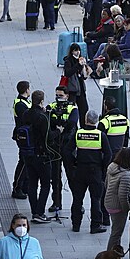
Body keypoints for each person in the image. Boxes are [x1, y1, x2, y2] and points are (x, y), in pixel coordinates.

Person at [67, 110, 112, 234]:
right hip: (95, 171)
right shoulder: (100, 135)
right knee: (96, 199)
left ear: (86, 119)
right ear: (96, 121)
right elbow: (108, 154)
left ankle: (76, 225)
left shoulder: (78, 133)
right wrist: (103, 168)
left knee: (77, 199)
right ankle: (95, 225)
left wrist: (73, 164)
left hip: (80, 170)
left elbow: (67, 151)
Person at [21, 90, 53, 223]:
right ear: (41, 101)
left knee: (32, 184)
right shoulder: (42, 117)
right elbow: (48, 137)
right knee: (45, 185)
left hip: (28, 153)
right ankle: (40, 213)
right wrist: (58, 131)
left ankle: (34, 211)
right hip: (41, 155)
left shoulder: (26, 113)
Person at [46, 86, 78, 214]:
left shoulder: (72, 108)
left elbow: (72, 123)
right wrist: (60, 122)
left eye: (61, 95)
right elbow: (48, 120)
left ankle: (77, 202)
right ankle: (56, 202)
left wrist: (59, 124)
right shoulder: (52, 106)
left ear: (67, 96)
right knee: (55, 176)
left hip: (68, 146)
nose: (58, 98)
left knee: (72, 176)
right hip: (55, 146)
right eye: (57, 95)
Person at [104, 148, 130, 254]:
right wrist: (127, 208)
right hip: (118, 207)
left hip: (109, 203)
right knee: (116, 233)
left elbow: (106, 184)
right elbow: (123, 195)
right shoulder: (126, 175)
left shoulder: (111, 167)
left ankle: (116, 256)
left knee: (116, 230)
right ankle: (109, 256)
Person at [11, 81, 32, 199]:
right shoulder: (20, 104)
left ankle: (24, 186)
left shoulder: (24, 102)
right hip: (23, 136)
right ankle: (17, 187)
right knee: (23, 162)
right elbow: (27, 118)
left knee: (26, 162)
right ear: (26, 90)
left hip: (26, 135)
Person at [63, 43, 91, 127]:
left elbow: (83, 76)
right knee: (71, 110)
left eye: (78, 50)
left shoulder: (81, 59)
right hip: (72, 89)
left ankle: (83, 126)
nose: (77, 52)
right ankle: (72, 128)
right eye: (75, 50)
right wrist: (78, 65)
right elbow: (68, 73)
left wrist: (85, 69)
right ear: (71, 51)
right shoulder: (68, 61)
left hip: (80, 88)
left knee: (84, 109)